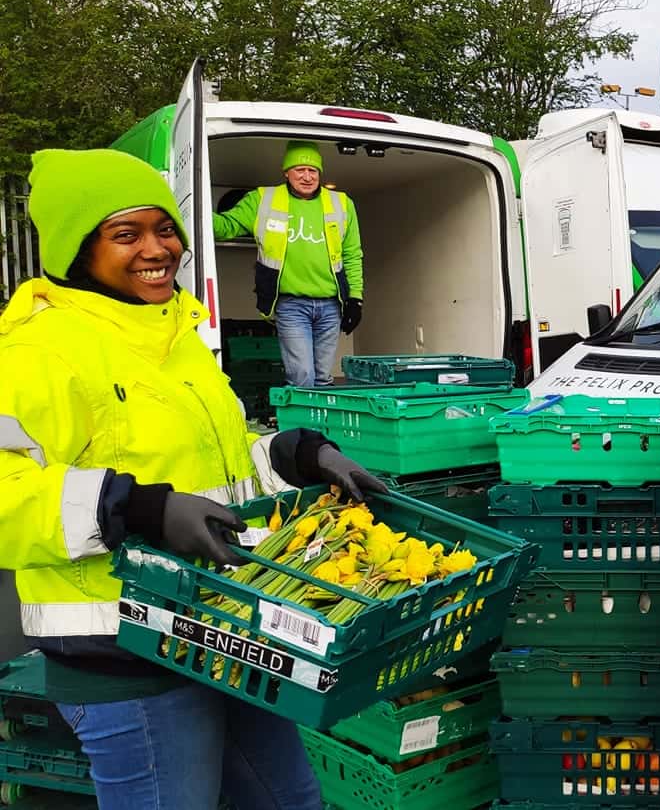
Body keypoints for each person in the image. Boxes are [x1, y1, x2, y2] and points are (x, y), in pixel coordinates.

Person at [0, 148, 388, 809]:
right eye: (126, 234)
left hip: (222, 631)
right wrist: (134, 511)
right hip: (123, 655)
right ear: (77, 249)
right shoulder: (40, 348)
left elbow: (219, 456)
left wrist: (297, 454)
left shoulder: (174, 327)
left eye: (165, 228)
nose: (158, 249)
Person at [213, 140, 364, 387]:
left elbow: (352, 254)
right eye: (299, 170)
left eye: (312, 170)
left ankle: (319, 426)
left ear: (320, 173)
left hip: (330, 305)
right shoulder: (263, 199)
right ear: (286, 173)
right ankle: (302, 426)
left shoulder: (342, 203)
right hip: (291, 305)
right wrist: (189, 208)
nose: (307, 176)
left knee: (324, 377)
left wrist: (355, 299)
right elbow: (226, 227)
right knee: (302, 376)